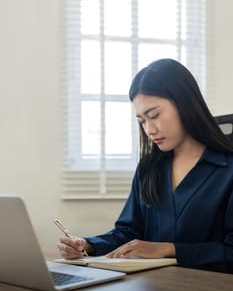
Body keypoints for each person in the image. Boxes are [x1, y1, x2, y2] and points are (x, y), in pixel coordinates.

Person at [58, 58, 233, 273]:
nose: (149, 129)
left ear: (185, 104)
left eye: (155, 115)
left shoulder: (228, 168)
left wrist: (169, 249)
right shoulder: (149, 168)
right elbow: (129, 233)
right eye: (142, 120)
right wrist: (87, 244)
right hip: (152, 289)